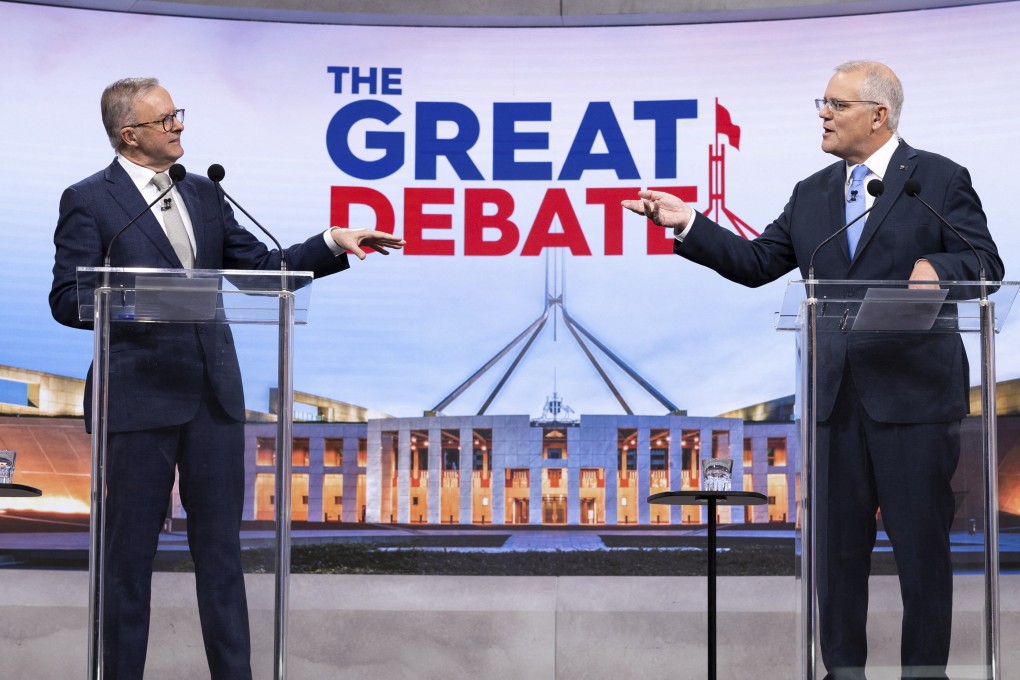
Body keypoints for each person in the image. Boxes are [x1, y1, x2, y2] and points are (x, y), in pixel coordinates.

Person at [623, 61, 1003, 680]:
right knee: (837, 556)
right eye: (820, 103)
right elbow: (755, 262)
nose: (823, 115)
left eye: (836, 104)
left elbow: (985, 263)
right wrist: (688, 223)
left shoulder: (937, 178)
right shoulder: (813, 193)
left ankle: (926, 674)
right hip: (833, 404)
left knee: (922, 555)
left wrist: (941, 268)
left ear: (879, 116)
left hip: (914, 403)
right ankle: (842, 671)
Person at [49, 77, 405, 679]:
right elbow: (68, 299)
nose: (179, 127)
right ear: (129, 135)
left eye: (178, 115)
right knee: (128, 562)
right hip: (137, 402)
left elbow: (262, 271)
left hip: (213, 401)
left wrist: (332, 243)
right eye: (165, 121)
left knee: (222, 559)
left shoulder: (203, 194)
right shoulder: (90, 200)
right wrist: (164, 299)